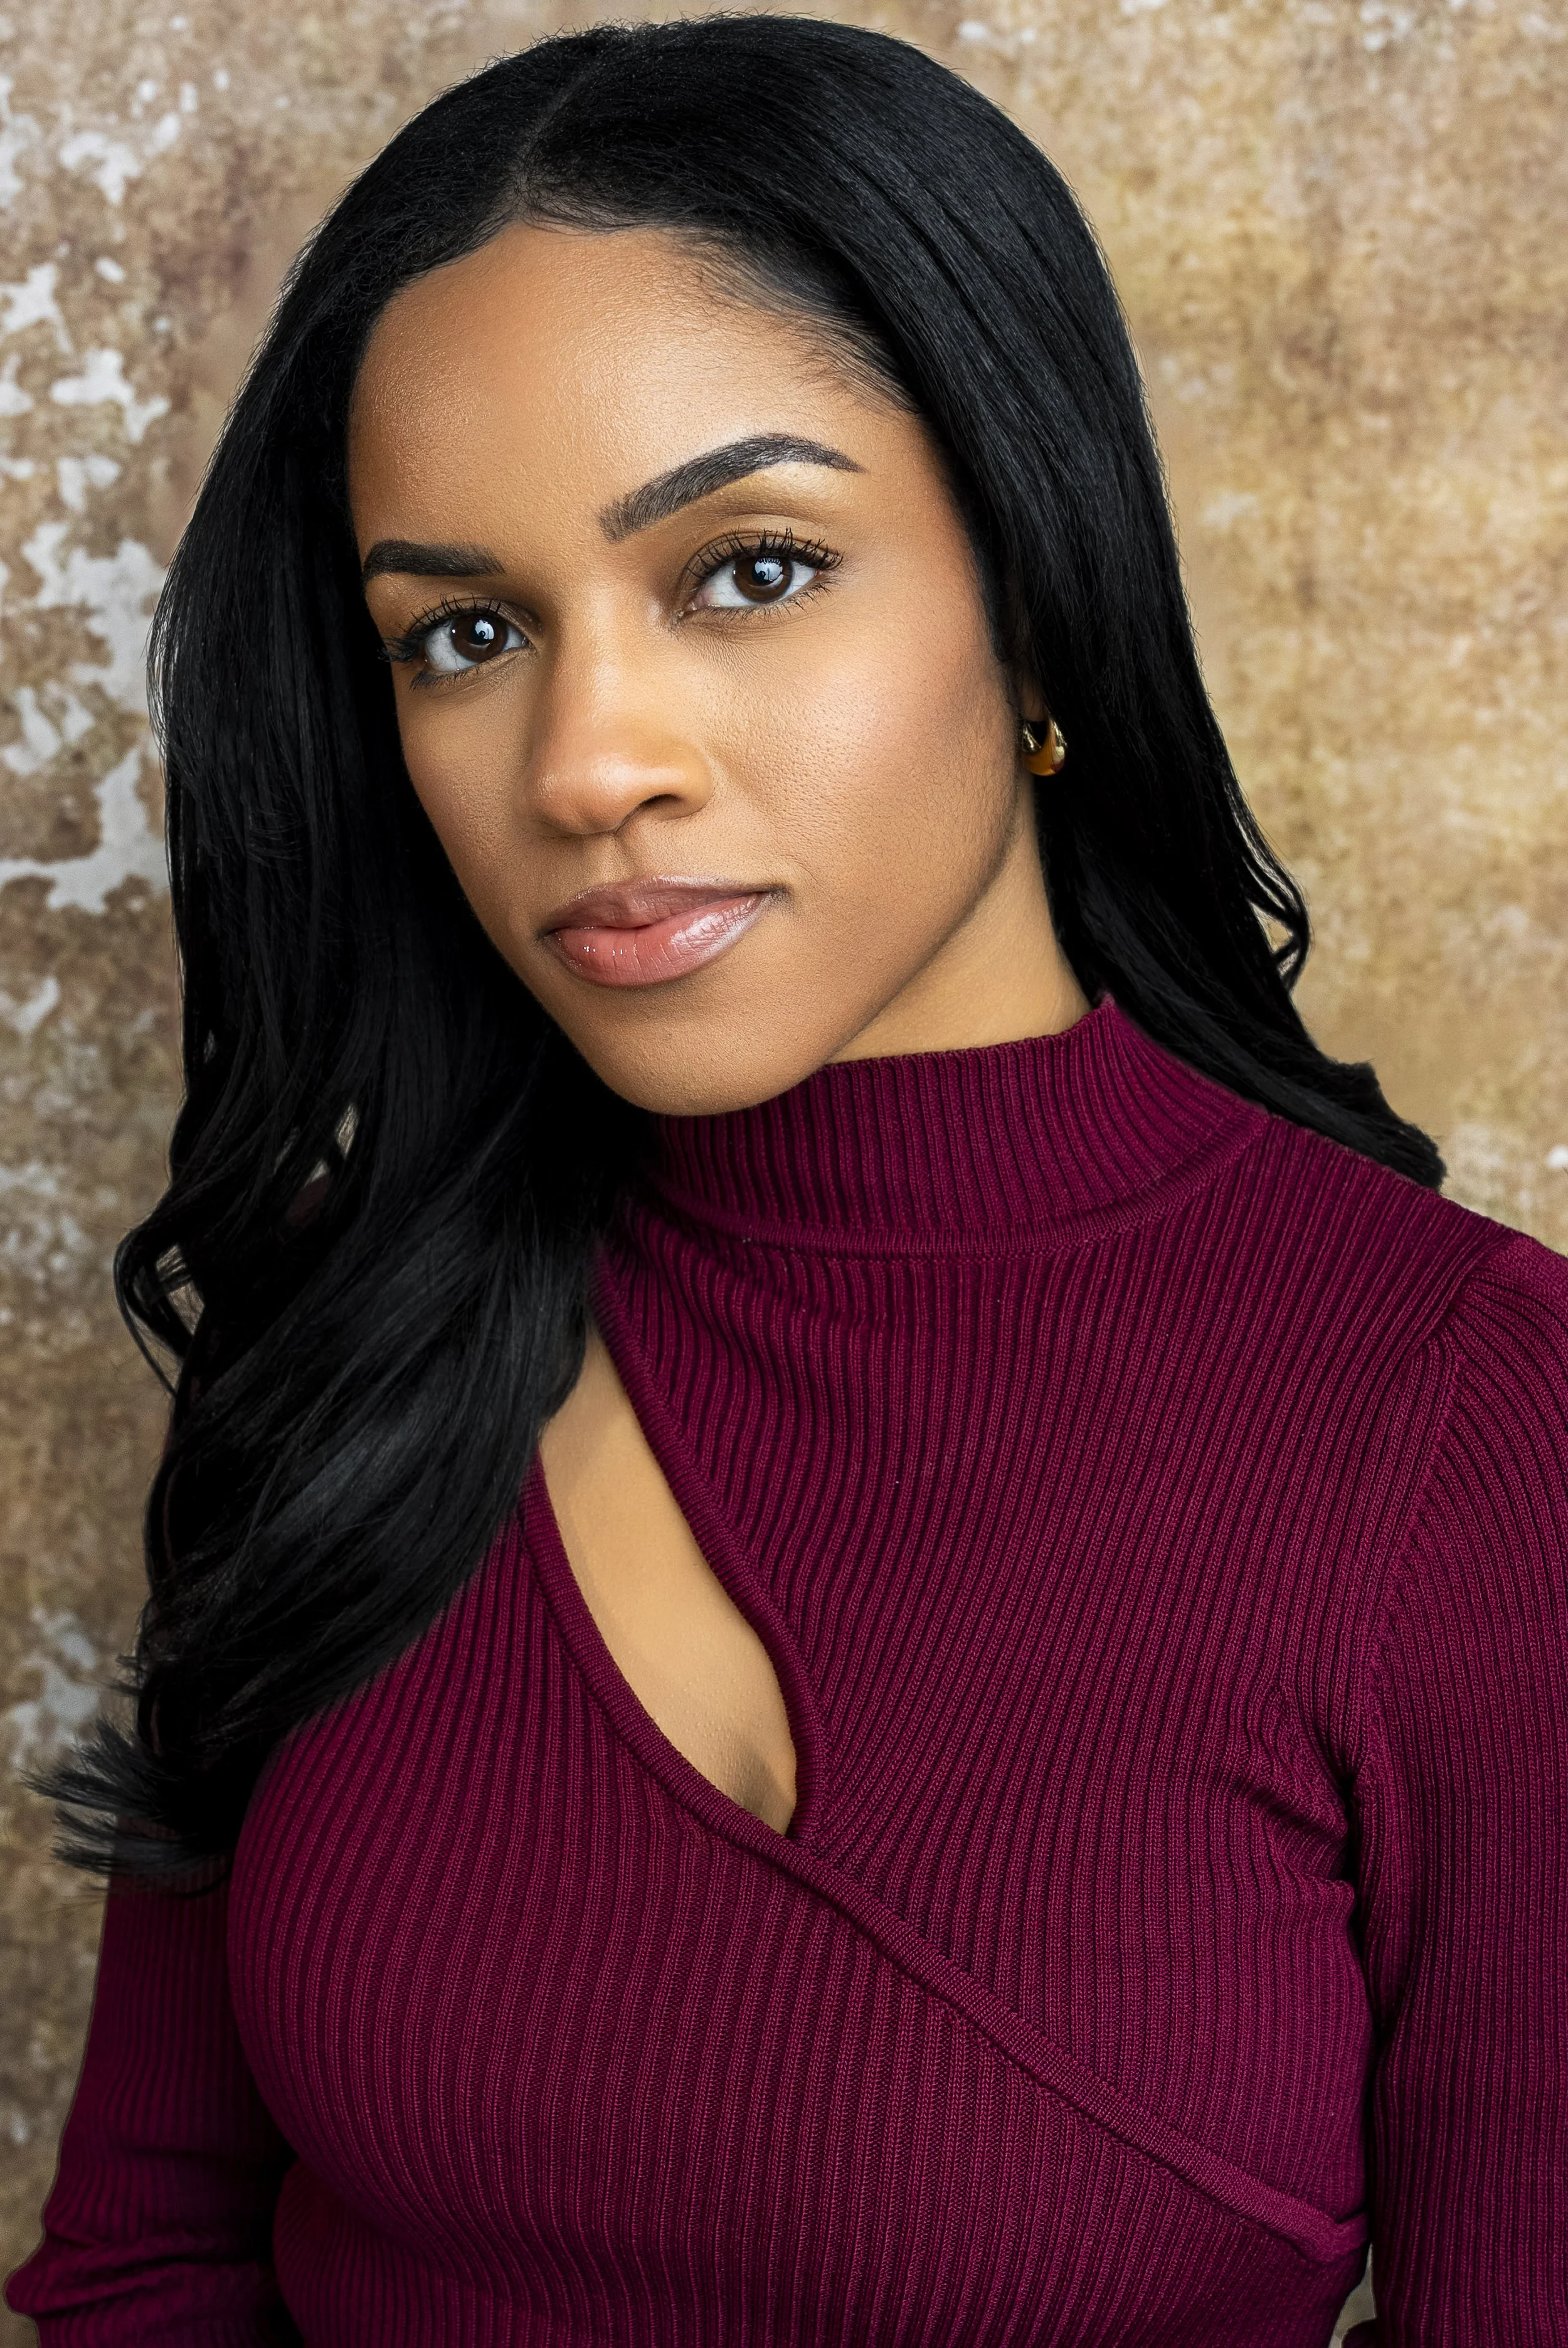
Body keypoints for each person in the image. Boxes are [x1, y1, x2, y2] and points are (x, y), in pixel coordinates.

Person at [7, 16, 1564, 2344]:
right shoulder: (353, 1327)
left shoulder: (1459, 1415)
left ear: (1027, 582)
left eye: (746, 569)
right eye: (466, 631)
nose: (586, 762)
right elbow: (144, 2265)